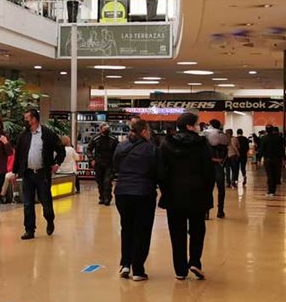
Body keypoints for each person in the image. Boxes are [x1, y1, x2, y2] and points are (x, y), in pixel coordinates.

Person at [160, 112, 214, 280]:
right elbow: (208, 172)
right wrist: (207, 192)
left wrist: (165, 190)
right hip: (197, 194)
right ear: (190, 126)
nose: (200, 126)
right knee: (197, 230)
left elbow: (161, 171)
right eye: (197, 124)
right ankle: (195, 262)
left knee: (177, 232)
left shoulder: (167, 143)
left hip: (174, 195)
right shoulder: (202, 144)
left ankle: (180, 270)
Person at [113, 119, 161, 282]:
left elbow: (116, 166)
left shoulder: (121, 146)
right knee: (142, 230)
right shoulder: (151, 149)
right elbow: (158, 171)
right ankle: (138, 269)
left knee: (126, 227)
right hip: (143, 193)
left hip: (122, 192)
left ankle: (125, 263)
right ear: (144, 132)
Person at [13, 109, 65, 240]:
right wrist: (15, 171)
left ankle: (49, 220)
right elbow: (18, 154)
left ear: (34, 119)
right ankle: (29, 229)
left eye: (27, 118)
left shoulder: (47, 134)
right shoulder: (23, 135)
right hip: (28, 174)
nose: (25, 121)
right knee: (28, 203)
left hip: (42, 174)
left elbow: (60, 149)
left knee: (45, 201)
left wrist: (57, 163)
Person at [87, 122, 118, 205]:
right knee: (100, 182)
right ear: (100, 129)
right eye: (104, 129)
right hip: (98, 163)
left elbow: (118, 151)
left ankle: (107, 198)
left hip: (109, 164)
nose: (106, 130)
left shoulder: (113, 139)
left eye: (107, 129)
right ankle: (102, 197)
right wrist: (91, 159)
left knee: (107, 182)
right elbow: (89, 149)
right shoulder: (95, 138)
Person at [203, 119, 228, 219]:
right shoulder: (224, 137)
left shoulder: (205, 137)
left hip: (208, 166)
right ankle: (220, 211)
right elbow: (226, 152)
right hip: (219, 166)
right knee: (221, 189)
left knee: (208, 189)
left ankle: (206, 212)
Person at [262, 126, 286, 196]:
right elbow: (282, 149)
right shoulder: (279, 138)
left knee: (270, 175)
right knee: (276, 174)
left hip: (268, 159)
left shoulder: (264, 138)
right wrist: (284, 158)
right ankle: (273, 190)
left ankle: (270, 191)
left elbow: (262, 149)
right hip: (277, 159)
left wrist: (260, 157)